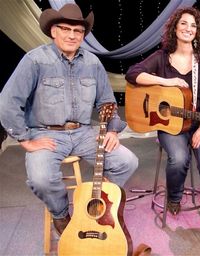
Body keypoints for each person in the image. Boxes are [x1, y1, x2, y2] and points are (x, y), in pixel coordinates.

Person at [0, 3, 138, 235]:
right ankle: (61, 214)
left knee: (127, 161)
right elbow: (7, 102)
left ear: (83, 34)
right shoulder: (35, 61)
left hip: (85, 132)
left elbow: (107, 101)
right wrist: (24, 139)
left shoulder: (92, 63)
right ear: (54, 31)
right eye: (65, 29)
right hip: (46, 133)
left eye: (78, 31)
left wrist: (113, 130)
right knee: (42, 178)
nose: (72, 35)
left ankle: (100, 203)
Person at [125, 7, 200, 255]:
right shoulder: (162, 57)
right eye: (184, 23)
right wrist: (165, 81)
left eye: (193, 25)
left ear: (198, 31)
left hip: (198, 122)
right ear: (175, 27)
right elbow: (132, 74)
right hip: (170, 124)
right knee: (179, 158)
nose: (188, 28)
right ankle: (174, 196)